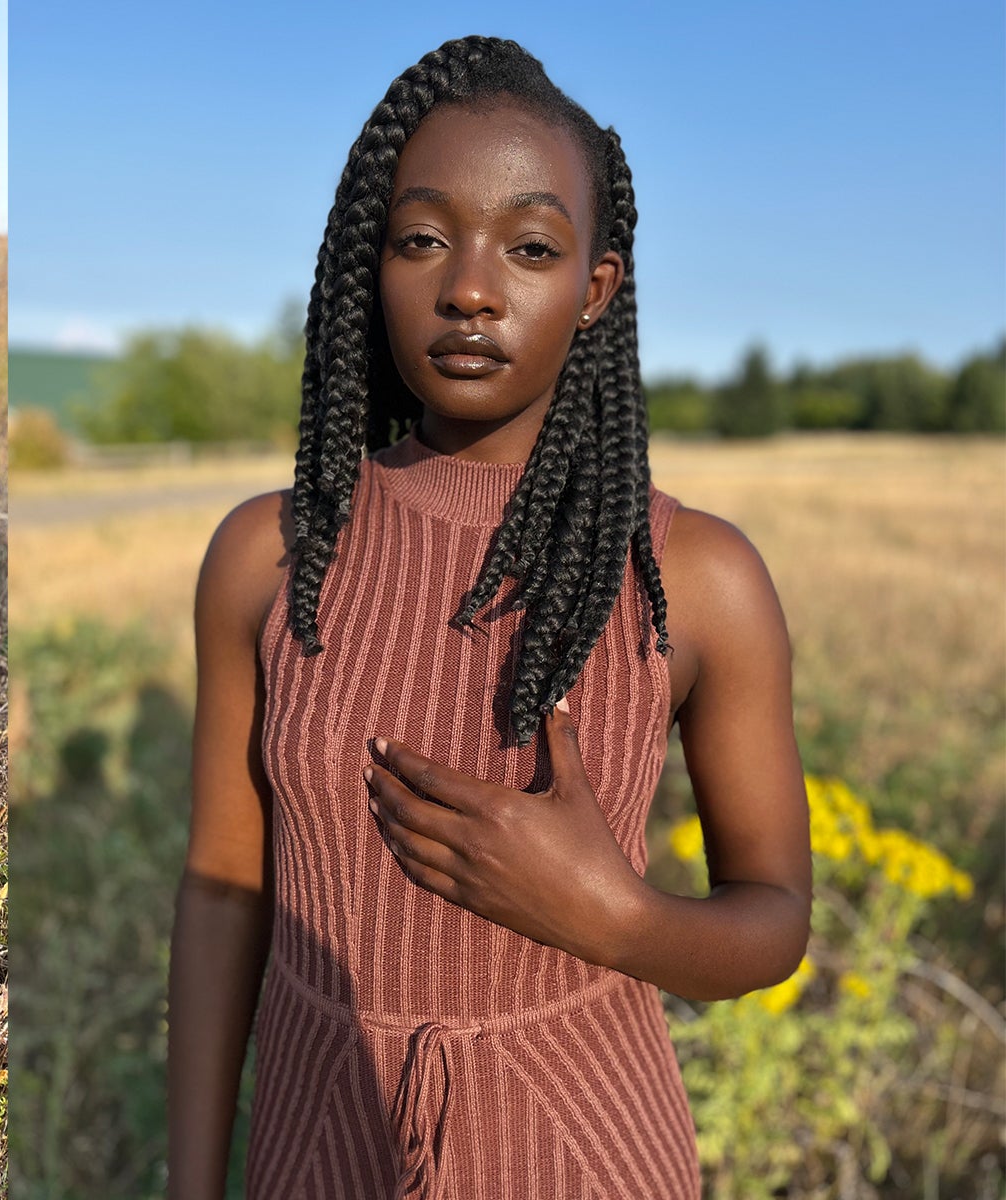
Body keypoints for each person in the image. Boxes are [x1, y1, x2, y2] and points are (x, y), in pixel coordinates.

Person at [166, 36, 811, 1199]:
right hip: (318, 1139)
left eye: (527, 247)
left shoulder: (693, 574)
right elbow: (222, 885)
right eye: (421, 239)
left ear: (593, 287)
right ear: (368, 263)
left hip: (582, 1151)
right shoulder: (270, 555)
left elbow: (772, 919)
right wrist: (191, 1181)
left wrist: (615, 920)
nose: (468, 288)